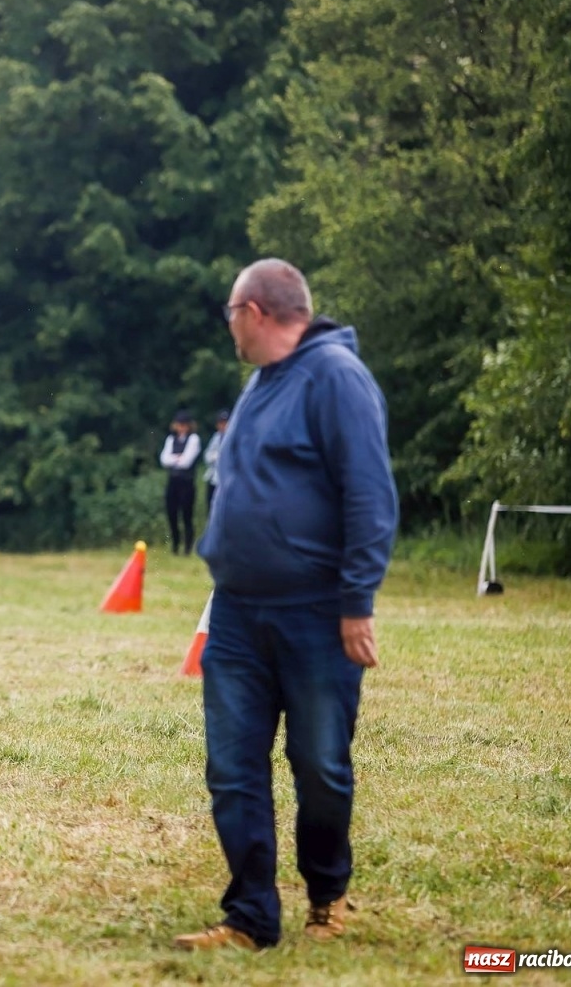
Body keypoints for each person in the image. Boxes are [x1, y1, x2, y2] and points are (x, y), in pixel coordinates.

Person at [178, 259, 398, 952]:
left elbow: (370, 495)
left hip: (315, 611)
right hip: (239, 612)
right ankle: (250, 916)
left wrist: (356, 602)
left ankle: (328, 896)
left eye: (230, 315)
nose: (229, 328)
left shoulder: (336, 378)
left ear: (255, 312)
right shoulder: (259, 384)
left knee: (321, 764)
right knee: (233, 766)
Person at [159, 410, 200, 554]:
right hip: (174, 481)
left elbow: (186, 462)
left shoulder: (194, 439)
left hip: (187, 481)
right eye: (179, 424)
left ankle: (188, 546)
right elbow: (164, 459)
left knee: (187, 515)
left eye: (184, 424)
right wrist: (178, 458)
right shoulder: (171, 439)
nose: (181, 427)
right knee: (172, 513)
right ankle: (175, 544)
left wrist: (174, 459)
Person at [202, 409, 229, 518]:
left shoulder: (234, 437)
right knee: (211, 509)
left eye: (225, 422)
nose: (222, 425)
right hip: (214, 477)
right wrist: (216, 456)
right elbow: (207, 456)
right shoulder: (216, 437)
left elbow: (226, 457)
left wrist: (216, 456)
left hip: (226, 479)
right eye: (220, 423)